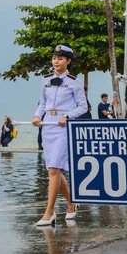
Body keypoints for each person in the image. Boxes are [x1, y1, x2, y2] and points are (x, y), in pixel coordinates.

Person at [32, 45, 87, 226]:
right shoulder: (45, 80)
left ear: (68, 61)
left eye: (60, 58)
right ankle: (71, 203)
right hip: (47, 127)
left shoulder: (74, 81)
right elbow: (42, 103)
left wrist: (67, 115)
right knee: (53, 169)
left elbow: (82, 107)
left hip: (63, 128)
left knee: (54, 170)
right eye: (55, 58)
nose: (56, 61)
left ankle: (49, 212)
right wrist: (37, 116)